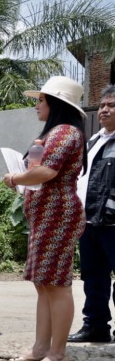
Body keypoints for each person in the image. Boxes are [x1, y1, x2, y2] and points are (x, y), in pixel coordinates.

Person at [3, 76, 87, 361]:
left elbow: (48, 172)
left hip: (58, 215)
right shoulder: (57, 133)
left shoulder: (65, 132)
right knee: (44, 283)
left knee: (56, 283)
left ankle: (58, 352)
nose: (36, 105)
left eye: (40, 99)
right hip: (45, 215)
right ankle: (41, 348)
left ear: (56, 104)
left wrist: (15, 178)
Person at [68, 85, 115, 344]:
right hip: (90, 222)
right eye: (102, 105)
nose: (104, 110)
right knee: (93, 277)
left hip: (113, 222)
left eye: (111, 105)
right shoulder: (94, 141)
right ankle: (95, 326)